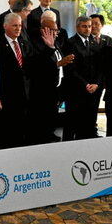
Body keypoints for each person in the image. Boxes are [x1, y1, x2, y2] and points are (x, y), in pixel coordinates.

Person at [27, 14, 74, 144]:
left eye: (57, 30)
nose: (56, 33)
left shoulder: (56, 43)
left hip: (55, 89)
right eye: (53, 30)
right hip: (42, 91)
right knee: (42, 120)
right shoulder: (35, 44)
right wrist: (58, 63)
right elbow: (38, 68)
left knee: (52, 116)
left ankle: (50, 134)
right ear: (44, 30)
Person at [0, 13, 32, 148]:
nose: (18, 28)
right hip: (6, 97)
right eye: (15, 25)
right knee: (7, 133)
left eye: (20, 25)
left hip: (24, 96)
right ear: (5, 26)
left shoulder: (25, 44)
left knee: (22, 131)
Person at [62, 16, 102, 141]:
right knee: (72, 122)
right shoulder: (70, 43)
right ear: (77, 27)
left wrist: (96, 83)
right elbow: (70, 69)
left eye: (89, 26)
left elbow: (100, 67)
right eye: (84, 26)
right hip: (76, 90)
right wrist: (85, 84)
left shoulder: (93, 42)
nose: (88, 29)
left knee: (88, 122)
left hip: (92, 90)